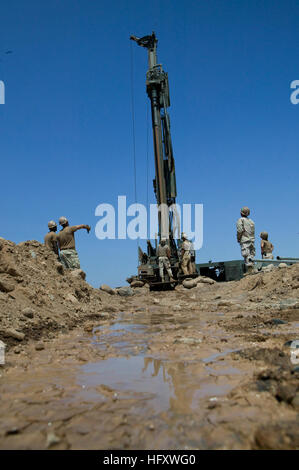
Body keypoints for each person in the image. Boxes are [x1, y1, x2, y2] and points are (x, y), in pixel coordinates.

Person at [236, 206, 255, 273]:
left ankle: (249, 271)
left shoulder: (240, 220)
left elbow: (240, 230)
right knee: (251, 255)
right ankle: (252, 269)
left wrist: (238, 238)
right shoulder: (251, 221)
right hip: (252, 240)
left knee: (246, 255)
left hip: (245, 239)